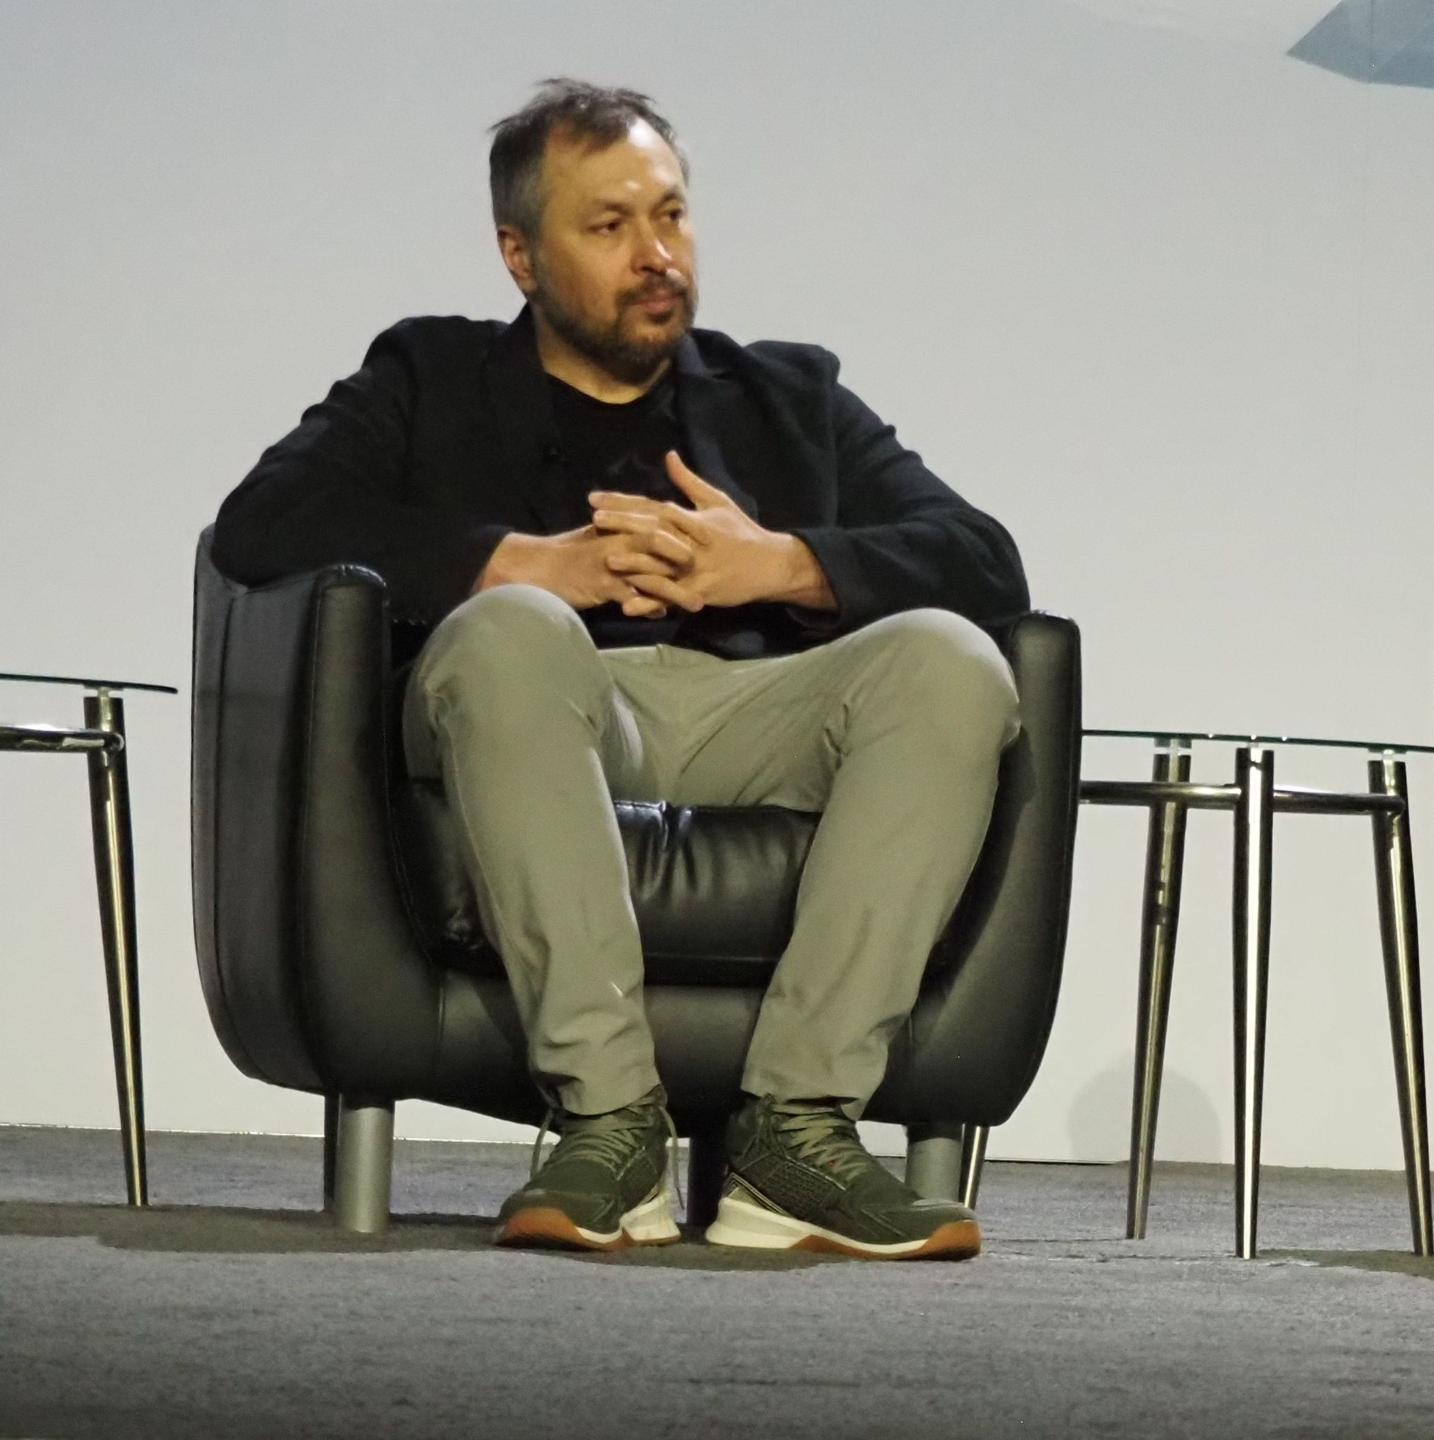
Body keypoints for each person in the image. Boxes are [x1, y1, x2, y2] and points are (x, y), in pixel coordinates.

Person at [214, 80, 1029, 1261]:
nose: (657, 256)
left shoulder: (786, 397)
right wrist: (523, 562)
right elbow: (263, 522)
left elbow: (984, 558)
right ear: (521, 256)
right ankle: (610, 1124)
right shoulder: (430, 377)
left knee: (952, 661)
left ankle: (796, 1135)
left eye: (671, 215)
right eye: (609, 226)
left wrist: (779, 564)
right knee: (513, 631)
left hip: (750, 713)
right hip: (539, 705)